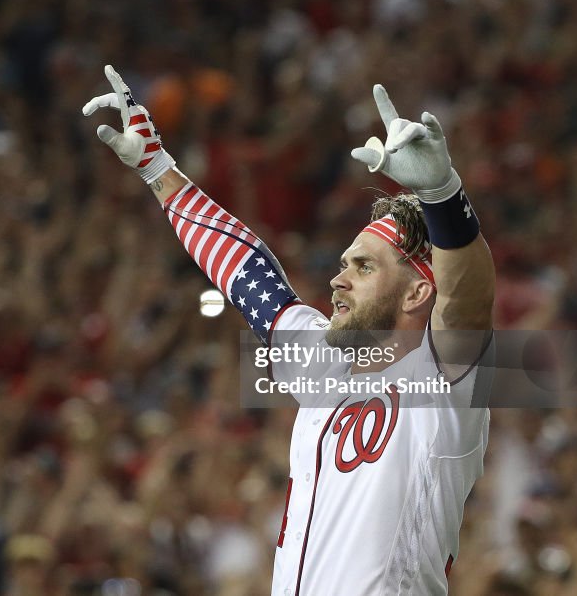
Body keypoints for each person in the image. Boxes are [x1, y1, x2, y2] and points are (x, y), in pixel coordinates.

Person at [83, 65, 496, 595]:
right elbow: (245, 270)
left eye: (364, 267)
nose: (338, 280)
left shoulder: (442, 383)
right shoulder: (324, 361)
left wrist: (442, 193)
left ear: (418, 292)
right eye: (345, 263)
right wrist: (156, 167)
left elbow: (468, 299)